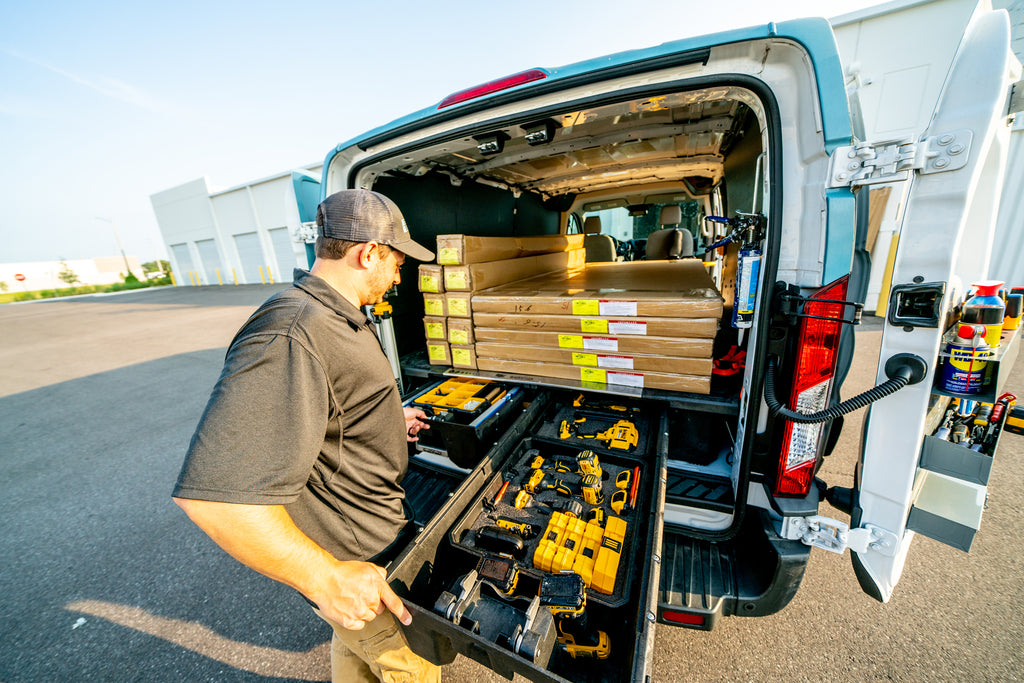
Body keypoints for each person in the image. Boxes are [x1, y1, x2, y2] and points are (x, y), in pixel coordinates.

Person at [172, 189, 441, 682]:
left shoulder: (337, 315)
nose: (400, 274)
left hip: (372, 540)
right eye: (397, 260)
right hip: (358, 560)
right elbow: (216, 499)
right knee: (413, 667)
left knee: (355, 652)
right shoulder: (291, 332)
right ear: (369, 253)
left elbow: (326, 410)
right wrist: (326, 579)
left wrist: (382, 418)